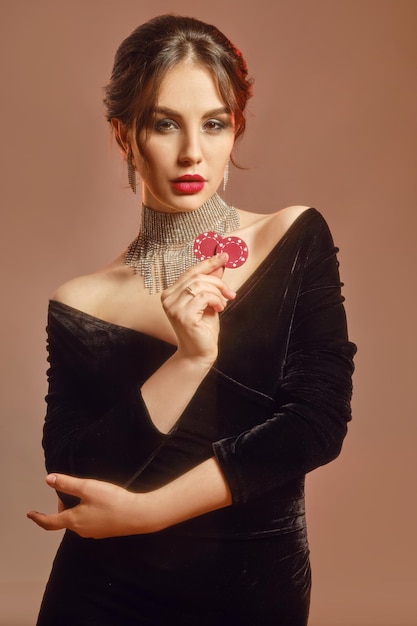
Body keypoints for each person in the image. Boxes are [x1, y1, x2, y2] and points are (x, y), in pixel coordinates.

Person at [27, 14, 356, 626]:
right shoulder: (79, 302)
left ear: (236, 130)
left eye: (213, 124)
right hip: (101, 593)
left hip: (251, 590)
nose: (191, 153)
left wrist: (147, 512)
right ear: (122, 136)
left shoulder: (293, 237)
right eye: (163, 124)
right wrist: (189, 360)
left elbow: (317, 424)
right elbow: (76, 474)